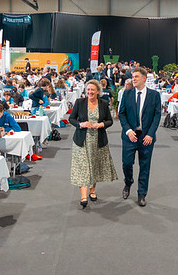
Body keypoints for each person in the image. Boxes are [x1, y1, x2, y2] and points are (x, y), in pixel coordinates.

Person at [68, 80, 118, 208]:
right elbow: (71, 119)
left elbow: (109, 121)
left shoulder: (103, 103)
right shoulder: (80, 102)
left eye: (92, 90)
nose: (90, 92)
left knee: (94, 165)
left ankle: (92, 191)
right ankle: (83, 196)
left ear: (98, 91)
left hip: (98, 140)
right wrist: (80, 124)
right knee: (83, 167)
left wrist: (101, 124)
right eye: (88, 90)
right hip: (81, 140)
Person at [119, 67, 161, 206]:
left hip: (146, 137)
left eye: (136, 76)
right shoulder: (127, 94)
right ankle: (128, 182)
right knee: (126, 163)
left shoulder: (154, 95)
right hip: (130, 135)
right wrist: (128, 130)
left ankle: (142, 194)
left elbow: (157, 115)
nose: (133, 79)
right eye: (132, 76)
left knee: (145, 166)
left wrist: (150, 134)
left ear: (144, 78)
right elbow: (122, 114)